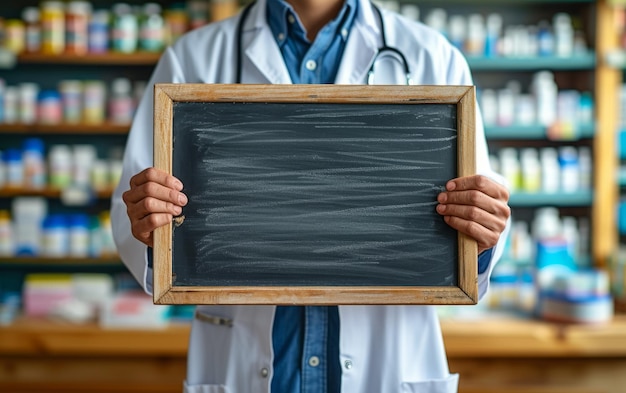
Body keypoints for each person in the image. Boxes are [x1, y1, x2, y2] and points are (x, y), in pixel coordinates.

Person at [111, 0, 511, 391]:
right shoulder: (193, 58)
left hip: (385, 360)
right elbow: (132, 205)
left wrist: (480, 229)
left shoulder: (430, 55)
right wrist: (147, 223)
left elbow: (479, 212)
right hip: (248, 364)